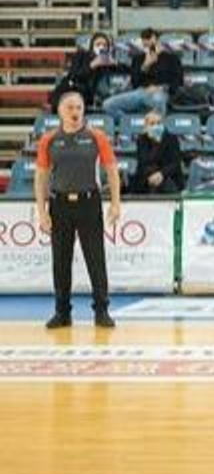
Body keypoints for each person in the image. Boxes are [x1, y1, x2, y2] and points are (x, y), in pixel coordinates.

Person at [34, 91, 121, 329]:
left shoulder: (96, 137)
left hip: (89, 203)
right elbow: (40, 177)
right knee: (60, 261)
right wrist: (41, 212)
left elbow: (112, 171)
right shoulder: (49, 140)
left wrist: (115, 203)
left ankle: (101, 310)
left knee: (96, 258)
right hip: (59, 205)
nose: (75, 112)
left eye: (79, 108)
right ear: (60, 111)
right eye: (70, 107)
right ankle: (62, 312)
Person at [102, 28, 183, 120]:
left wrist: (162, 87)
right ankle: (132, 123)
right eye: (145, 43)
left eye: (150, 41)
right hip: (141, 92)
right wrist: (145, 65)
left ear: (156, 40)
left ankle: (153, 128)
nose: (149, 46)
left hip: (161, 92)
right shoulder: (138, 59)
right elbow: (135, 82)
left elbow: (178, 80)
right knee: (108, 104)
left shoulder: (171, 58)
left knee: (158, 100)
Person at [51, 33, 120, 111]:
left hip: (85, 95)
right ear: (92, 46)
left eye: (104, 45)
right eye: (98, 44)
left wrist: (115, 63)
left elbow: (125, 72)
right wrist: (92, 65)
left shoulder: (107, 63)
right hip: (70, 87)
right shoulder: (81, 55)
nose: (101, 47)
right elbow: (74, 75)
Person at [130, 109, 184, 195]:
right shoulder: (141, 140)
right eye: (152, 124)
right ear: (146, 126)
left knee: (166, 184)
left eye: (159, 123)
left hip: (167, 176)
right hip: (148, 177)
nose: (156, 126)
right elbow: (143, 163)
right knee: (135, 181)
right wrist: (155, 145)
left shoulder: (171, 139)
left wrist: (161, 174)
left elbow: (175, 164)